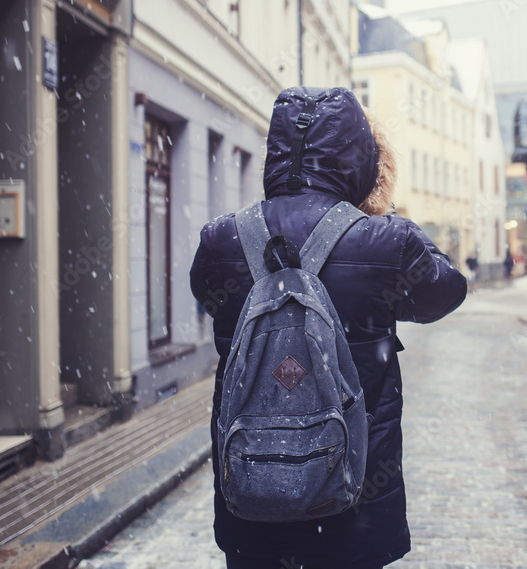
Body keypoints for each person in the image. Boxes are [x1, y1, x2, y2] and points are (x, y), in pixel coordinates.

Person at [190, 86, 467, 568]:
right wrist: (385, 217)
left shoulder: (223, 239)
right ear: (361, 158)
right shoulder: (385, 242)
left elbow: (205, 295)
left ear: (276, 154)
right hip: (353, 507)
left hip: (253, 502)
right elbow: (445, 292)